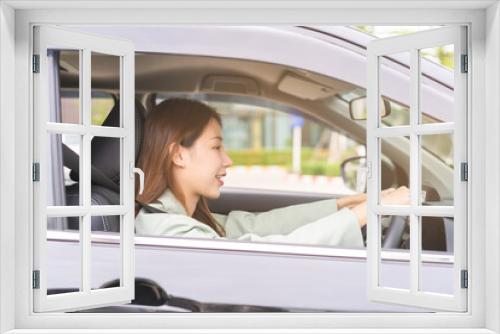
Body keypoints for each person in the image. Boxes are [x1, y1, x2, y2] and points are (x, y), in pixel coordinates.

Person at [134, 98, 410, 247]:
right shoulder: (170, 231)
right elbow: (269, 253)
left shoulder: (176, 217)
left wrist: (345, 204)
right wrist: (364, 213)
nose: (227, 160)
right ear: (178, 154)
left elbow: (254, 227)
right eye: (216, 147)